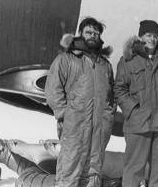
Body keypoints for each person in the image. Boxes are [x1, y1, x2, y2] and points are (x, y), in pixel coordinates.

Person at [45, 17, 115, 187]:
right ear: (81, 34)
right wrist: (64, 115)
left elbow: (111, 97)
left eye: (96, 33)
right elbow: (53, 89)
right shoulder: (66, 59)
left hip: (98, 131)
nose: (93, 36)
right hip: (74, 128)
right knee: (69, 172)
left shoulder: (105, 65)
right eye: (89, 32)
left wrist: (108, 119)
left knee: (93, 175)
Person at [114, 20, 158, 187]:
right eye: (149, 35)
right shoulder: (128, 61)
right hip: (137, 124)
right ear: (141, 36)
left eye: (155, 36)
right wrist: (134, 111)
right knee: (134, 169)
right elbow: (120, 89)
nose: (152, 39)